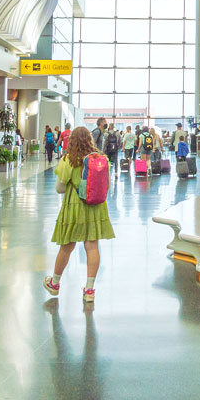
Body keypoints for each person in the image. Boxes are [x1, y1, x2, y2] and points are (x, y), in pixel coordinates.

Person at [44, 127, 114, 303]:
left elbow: (59, 188)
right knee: (92, 247)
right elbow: (107, 186)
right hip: (95, 207)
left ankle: (55, 283)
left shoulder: (69, 159)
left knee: (66, 247)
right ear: (90, 139)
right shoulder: (101, 159)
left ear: (73, 140)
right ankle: (89, 290)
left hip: (74, 206)